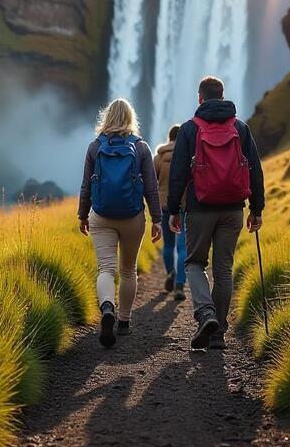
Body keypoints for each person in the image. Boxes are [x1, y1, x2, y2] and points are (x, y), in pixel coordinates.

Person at [167, 76, 265, 350]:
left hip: (199, 208)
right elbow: (255, 170)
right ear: (222, 97)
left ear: (200, 98)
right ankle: (218, 331)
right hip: (233, 208)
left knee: (194, 263)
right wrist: (257, 209)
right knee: (224, 268)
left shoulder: (189, 129)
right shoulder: (241, 128)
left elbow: (177, 174)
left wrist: (173, 209)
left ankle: (206, 314)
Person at [79, 98, 163, 348]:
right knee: (128, 269)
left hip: (101, 215)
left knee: (105, 268)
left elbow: (86, 186)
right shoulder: (141, 147)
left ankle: (107, 307)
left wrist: (82, 215)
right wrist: (157, 219)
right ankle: (124, 321)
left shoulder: (95, 147)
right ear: (130, 118)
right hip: (132, 216)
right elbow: (151, 188)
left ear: (106, 118)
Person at [153, 124, 187, 301]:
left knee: (168, 244)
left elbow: (152, 183)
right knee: (183, 247)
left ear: (169, 137)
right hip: (183, 205)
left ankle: (170, 274)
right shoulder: (188, 154)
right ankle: (180, 284)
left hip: (164, 205)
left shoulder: (158, 157)